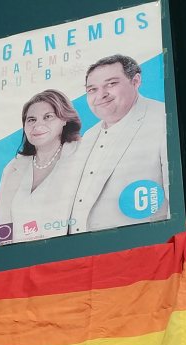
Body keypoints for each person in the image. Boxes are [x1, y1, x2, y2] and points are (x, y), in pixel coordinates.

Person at [68, 54, 169, 235]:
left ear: (135, 81)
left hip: (142, 248)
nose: (101, 95)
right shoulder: (90, 135)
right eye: (92, 89)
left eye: (111, 84)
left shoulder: (163, 119)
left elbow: (177, 199)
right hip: (82, 252)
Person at [0, 89, 82, 245]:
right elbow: (2, 228)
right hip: (21, 262)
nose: (38, 125)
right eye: (31, 120)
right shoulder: (13, 168)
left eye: (48, 117)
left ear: (64, 119)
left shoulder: (83, 154)